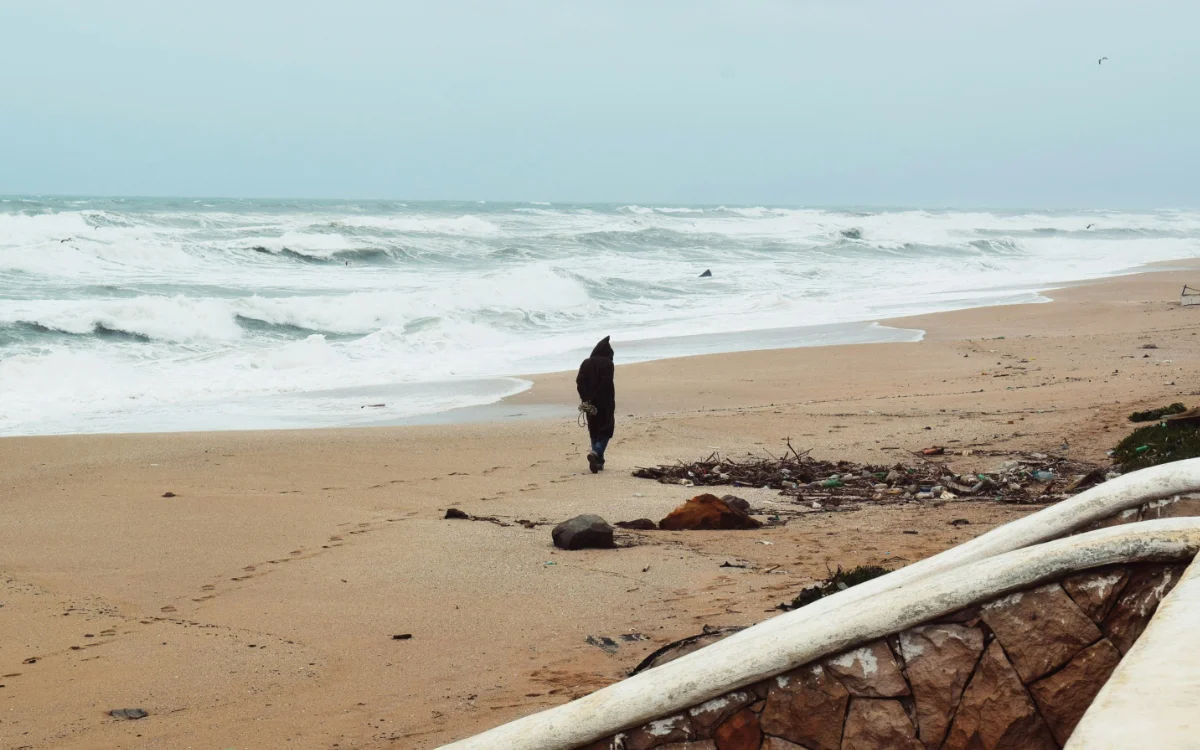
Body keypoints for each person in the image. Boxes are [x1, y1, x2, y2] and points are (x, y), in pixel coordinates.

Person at [576, 335, 615, 474]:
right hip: (605, 402)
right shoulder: (608, 364)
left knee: (594, 429)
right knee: (606, 429)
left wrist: (585, 398)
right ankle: (596, 452)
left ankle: (598, 463)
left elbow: (579, 382)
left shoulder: (585, 363)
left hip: (588, 402)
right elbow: (606, 384)